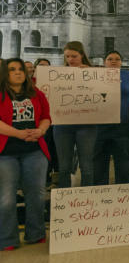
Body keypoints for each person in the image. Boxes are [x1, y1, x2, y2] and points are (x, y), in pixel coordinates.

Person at [0, 59, 52, 250]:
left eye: (21, 69)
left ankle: (36, 234)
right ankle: (7, 239)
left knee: (36, 194)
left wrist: (40, 130)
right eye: (12, 69)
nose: (18, 73)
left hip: (34, 151)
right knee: (6, 197)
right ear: (5, 73)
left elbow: (47, 116)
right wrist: (18, 134)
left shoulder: (36, 93)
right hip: (6, 153)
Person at [52, 41, 98, 187]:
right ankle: (64, 199)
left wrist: (90, 74)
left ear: (82, 55)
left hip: (87, 125)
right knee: (64, 166)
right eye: (67, 56)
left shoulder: (95, 73)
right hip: (62, 125)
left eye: (74, 56)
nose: (70, 59)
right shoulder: (57, 75)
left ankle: (86, 199)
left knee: (86, 165)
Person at [93, 50, 129, 185]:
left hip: (124, 127)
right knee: (98, 162)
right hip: (99, 126)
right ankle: (100, 193)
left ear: (121, 62)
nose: (113, 61)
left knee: (124, 161)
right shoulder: (95, 76)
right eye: (110, 59)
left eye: (117, 59)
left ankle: (123, 195)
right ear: (104, 62)